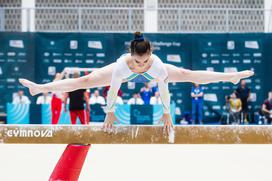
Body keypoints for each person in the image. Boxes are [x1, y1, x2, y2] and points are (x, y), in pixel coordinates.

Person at [19, 31, 254, 134]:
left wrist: (166, 113)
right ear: (131, 55)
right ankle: (40, 88)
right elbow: (113, 90)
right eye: (138, 61)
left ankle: (229, 76)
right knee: (86, 80)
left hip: (158, 74)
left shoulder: (158, 65)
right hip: (120, 73)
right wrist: (110, 112)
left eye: (145, 61)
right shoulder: (123, 64)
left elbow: (164, 89)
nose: (141, 65)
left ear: (150, 53)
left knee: (186, 73)